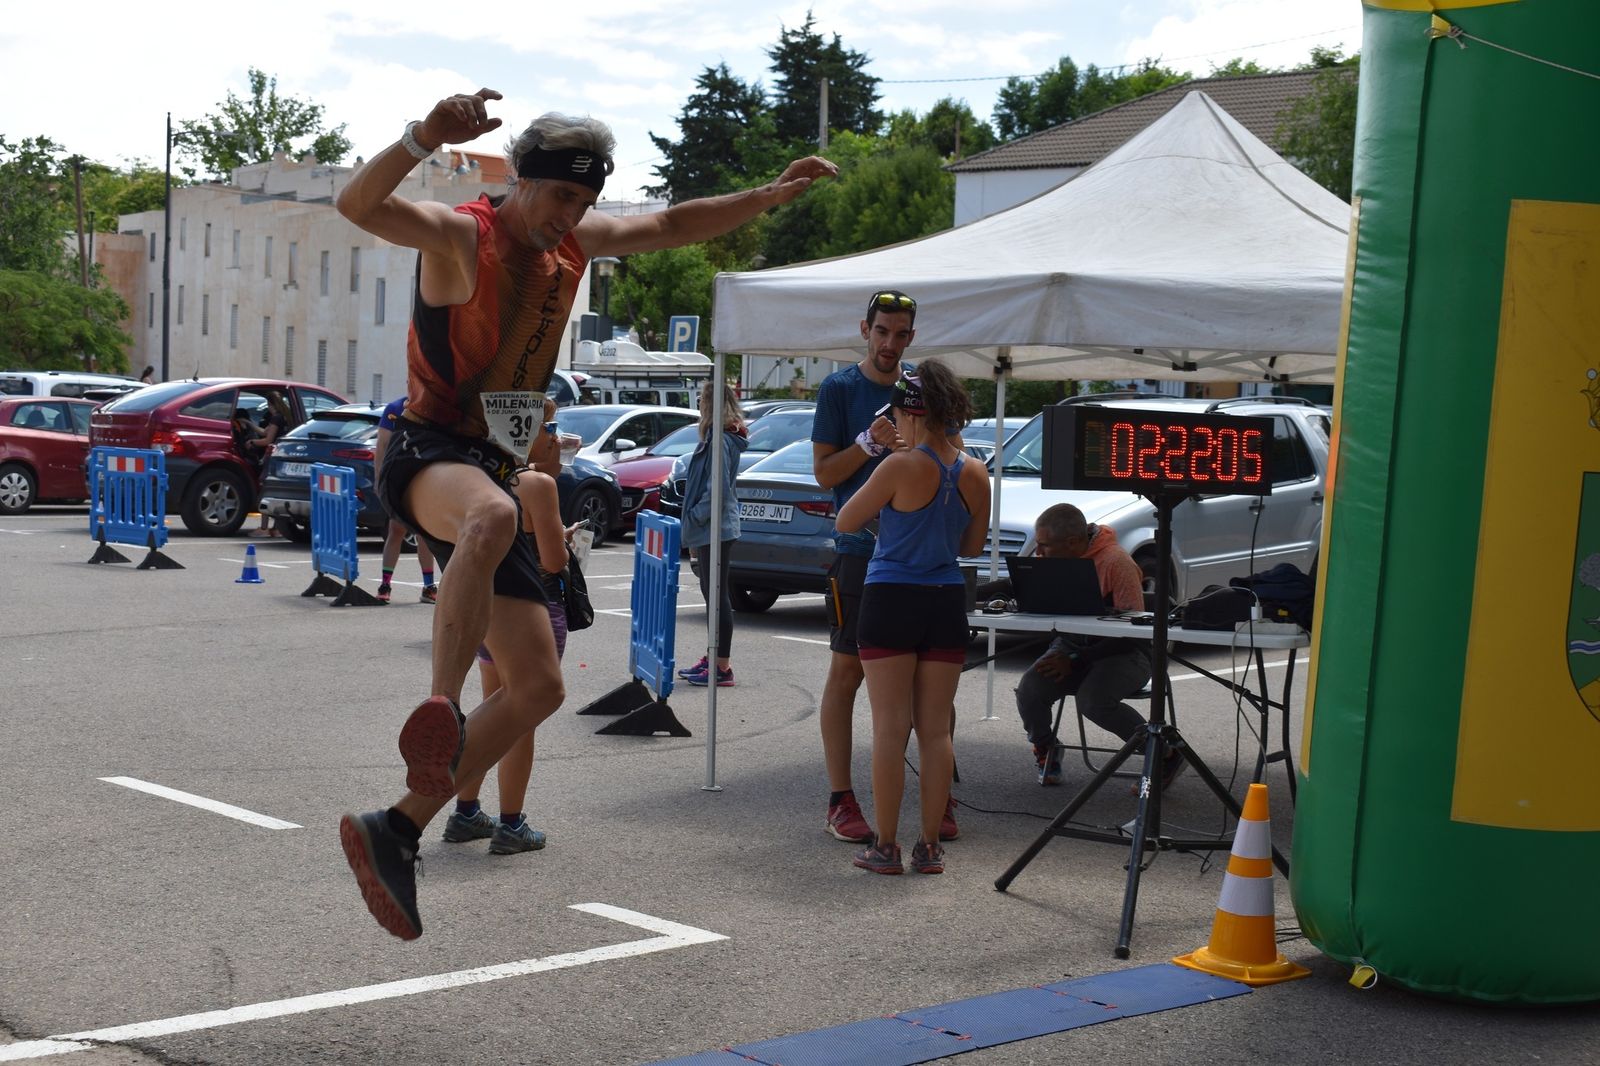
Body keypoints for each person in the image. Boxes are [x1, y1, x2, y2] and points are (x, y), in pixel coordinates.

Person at [334, 87, 837, 940]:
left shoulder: (576, 244)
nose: (571, 216)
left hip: (492, 467)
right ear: (523, 179)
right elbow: (358, 205)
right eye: (561, 195)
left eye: (586, 201)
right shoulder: (461, 235)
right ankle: (441, 707)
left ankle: (398, 828)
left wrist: (768, 195)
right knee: (494, 517)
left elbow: (673, 222)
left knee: (538, 685)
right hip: (426, 451)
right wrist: (421, 137)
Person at [810, 289, 959, 846]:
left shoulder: (922, 387)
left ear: (911, 338)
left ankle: (937, 803)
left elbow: (955, 452)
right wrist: (868, 446)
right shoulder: (840, 389)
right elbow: (825, 474)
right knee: (847, 673)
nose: (889, 343)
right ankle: (841, 798)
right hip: (860, 557)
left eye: (899, 334)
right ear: (864, 330)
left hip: (924, 564)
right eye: (881, 332)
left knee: (933, 695)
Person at [835, 361, 989, 874]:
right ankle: (930, 846)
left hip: (891, 597)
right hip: (945, 599)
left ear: (910, 413)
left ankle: (886, 846)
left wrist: (895, 517)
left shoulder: (898, 466)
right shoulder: (975, 471)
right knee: (936, 731)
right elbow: (971, 546)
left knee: (889, 728)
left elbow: (846, 520)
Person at [445, 400, 577, 853]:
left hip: (489, 607)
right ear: (524, 430)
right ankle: (511, 822)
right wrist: (562, 538)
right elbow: (553, 560)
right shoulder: (537, 484)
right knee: (520, 718)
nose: (555, 436)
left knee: (491, 709)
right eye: (548, 427)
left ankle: (465, 811)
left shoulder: (479, 479)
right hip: (534, 607)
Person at [1012, 504, 1167, 787]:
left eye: (1044, 546)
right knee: (1030, 690)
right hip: (1074, 647)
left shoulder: (1117, 562)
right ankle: (1047, 747)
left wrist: (1075, 659)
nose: (1038, 553)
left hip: (1126, 652)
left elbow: (1132, 635)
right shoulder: (1057, 558)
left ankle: (1163, 755)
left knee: (1093, 701)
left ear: (1072, 543)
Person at [677, 378, 747, 687]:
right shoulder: (720, 437)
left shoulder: (719, 440)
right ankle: (714, 657)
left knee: (717, 597)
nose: (698, 407)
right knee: (712, 595)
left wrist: (694, 518)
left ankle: (722, 667)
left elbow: (715, 491)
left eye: (701, 401)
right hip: (713, 528)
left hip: (715, 528)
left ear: (710, 405)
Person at [374, 397, 439, 603]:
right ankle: (385, 584)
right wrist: (379, 479)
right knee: (396, 531)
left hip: (423, 478)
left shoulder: (432, 407)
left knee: (424, 534)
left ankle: (428, 586)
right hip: (399, 477)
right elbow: (382, 445)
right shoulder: (394, 408)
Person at [247, 394, 292, 538]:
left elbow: (267, 439)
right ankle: (276, 528)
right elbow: (264, 431)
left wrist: (252, 442)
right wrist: (248, 423)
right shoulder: (284, 417)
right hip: (281, 457)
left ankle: (264, 528)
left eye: (268, 404)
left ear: (272, 404)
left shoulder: (276, 418)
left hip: (272, 456)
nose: (267, 407)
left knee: (265, 490)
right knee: (276, 492)